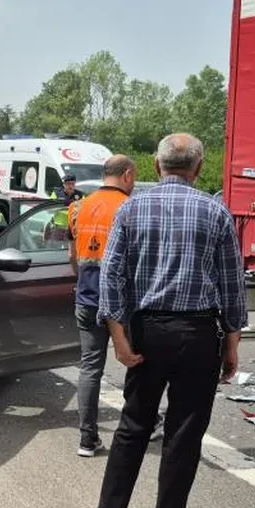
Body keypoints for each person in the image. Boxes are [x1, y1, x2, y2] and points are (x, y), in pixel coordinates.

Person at [90, 133, 247, 508]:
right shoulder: (216, 212)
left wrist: (120, 341)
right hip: (198, 337)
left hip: (147, 333)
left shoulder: (131, 208)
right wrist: (231, 345)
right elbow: (233, 287)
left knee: (133, 426)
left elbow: (112, 278)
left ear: (157, 167)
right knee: (183, 435)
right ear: (198, 169)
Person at [67, 155, 166, 458]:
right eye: (134, 177)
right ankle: (144, 425)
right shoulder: (130, 207)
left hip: (86, 297)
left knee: (89, 369)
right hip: (125, 303)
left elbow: (73, 257)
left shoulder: (78, 207)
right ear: (127, 174)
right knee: (136, 362)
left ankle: (87, 439)